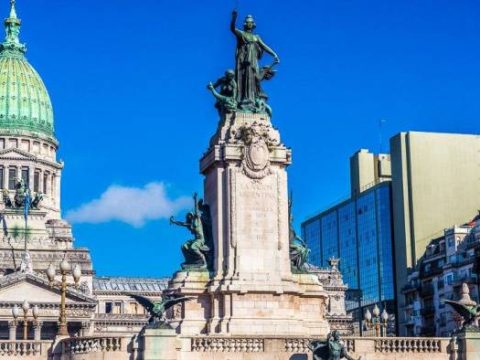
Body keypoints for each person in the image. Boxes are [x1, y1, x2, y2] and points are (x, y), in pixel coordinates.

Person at [230, 10, 279, 111]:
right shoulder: (241, 34)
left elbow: (264, 46)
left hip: (253, 60)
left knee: (253, 78)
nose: (250, 24)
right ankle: (243, 100)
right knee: (243, 78)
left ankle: (251, 100)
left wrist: (274, 54)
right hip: (243, 60)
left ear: (253, 25)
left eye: (251, 22)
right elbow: (232, 28)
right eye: (248, 22)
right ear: (245, 24)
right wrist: (234, 18)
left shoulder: (256, 37)